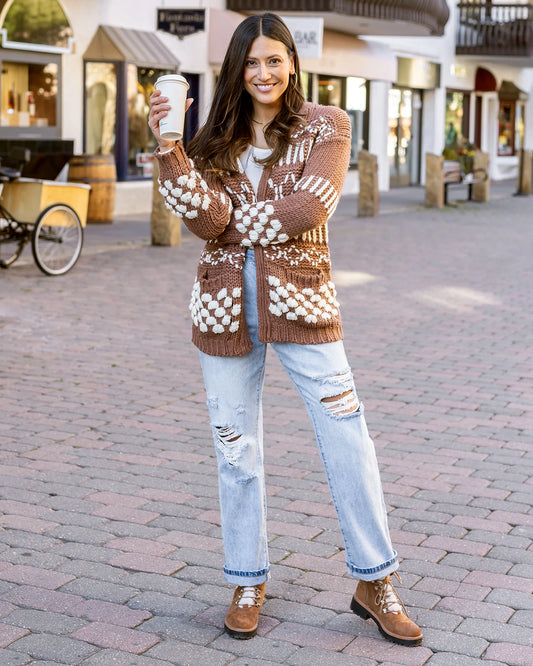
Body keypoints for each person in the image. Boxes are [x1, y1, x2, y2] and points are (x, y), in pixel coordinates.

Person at [148, 12, 422, 647]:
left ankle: (375, 579)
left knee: (346, 435)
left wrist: (230, 221)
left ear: (292, 64)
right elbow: (199, 219)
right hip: (223, 305)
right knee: (234, 448)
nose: (264, 73)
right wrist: (169, 148)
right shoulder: (212, 143)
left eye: (274, 60)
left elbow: (310, 207)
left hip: (304, 305)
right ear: (236, 71)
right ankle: (247, 578)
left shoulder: (326, 126)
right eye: (251, 62)